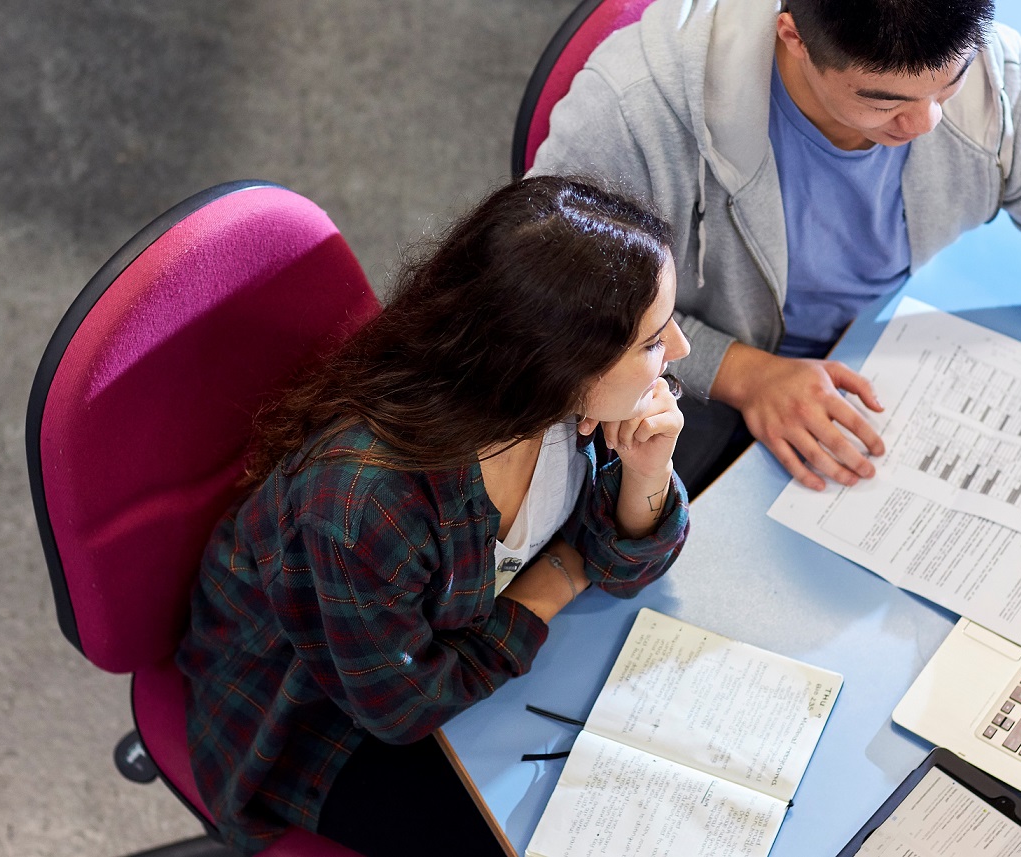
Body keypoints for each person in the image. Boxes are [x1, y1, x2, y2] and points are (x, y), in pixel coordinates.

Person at [531, 0, 1021, 596]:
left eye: (950, 81)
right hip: (678, 386)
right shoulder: (634, 109)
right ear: (791, 35)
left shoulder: (991, 80)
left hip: (860, 369)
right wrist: (742, 372)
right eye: (884, 101)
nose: (928, 122)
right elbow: (551, 309)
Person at [175, 176, 692, 857]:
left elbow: (624, 565)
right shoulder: (365, 503)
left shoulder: (558, 408)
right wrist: (560, 576)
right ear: (561, 365)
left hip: (470, 648)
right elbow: (400, 706)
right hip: (313, 717)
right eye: (653, 339)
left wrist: (647, 473)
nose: (680, 350)